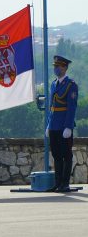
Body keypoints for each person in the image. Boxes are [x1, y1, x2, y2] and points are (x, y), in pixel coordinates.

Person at [46, 55, 78, 192]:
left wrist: (68, 127)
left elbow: (71, 107)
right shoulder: (53, 84)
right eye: (55, 66)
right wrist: (49, 124)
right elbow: (51, 107)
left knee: (66, 155)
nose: (56, 69)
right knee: (56, 155)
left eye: (58, 66)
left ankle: (65, 183)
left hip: (64, 126)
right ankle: (57, 183)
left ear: (65, 67)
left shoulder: (71, 85)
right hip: (54, 125)